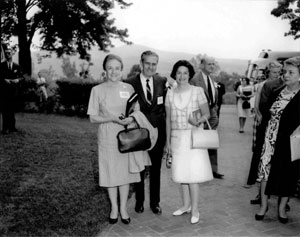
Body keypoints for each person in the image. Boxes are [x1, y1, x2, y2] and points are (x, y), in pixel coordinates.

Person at [87, 54, 144, 225]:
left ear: (121, 70)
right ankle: (113, 208)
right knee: (111, 173)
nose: (113, 71)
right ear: (105, 70)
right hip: (107, 137)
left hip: (126, 138)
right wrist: (112, 118)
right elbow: (93, 117)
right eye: (110, 68)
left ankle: (123, 209)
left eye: (117, 68)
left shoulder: (128, 88)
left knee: (124, 174)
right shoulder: (97, 90)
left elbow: (136, 109)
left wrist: (132, 119)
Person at [165, 60, 213, 224]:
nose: (182, 76)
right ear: (174, 74)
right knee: (182, 174)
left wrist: (198, 120)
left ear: (189, 74)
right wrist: (168, 143)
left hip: (193, 137)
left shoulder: (197, 91)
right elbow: (168, 120)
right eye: (179, 72)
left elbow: (207, 113)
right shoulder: (170, 93)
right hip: (177, 138)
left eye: (185, 72)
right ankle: (185, 205)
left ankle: (195, 209)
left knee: (192, 175)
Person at [255, 56, 300, 224]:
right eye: (284, 72)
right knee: (265, 172)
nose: (286, 75)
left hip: (289, 142)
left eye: (291, 72)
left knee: (287, 175)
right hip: (269, 140)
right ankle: (264, 206)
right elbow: (266, 114)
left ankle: (282, 208)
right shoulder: (277, 92)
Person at [125, 51, 167, 215]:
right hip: (139, 133)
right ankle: (139, 202)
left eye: (154, 64)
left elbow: (165, 106)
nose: (151, 67)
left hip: (158, 132)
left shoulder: (162, 81)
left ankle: (155, 203)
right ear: (141, 63)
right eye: (148, 63)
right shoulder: (129, 83)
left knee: (156, 169)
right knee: (140, 168)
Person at [245, 62, 285, 203]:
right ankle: (260, 194)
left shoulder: (284, 84)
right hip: (263, 123)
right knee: (261, 156)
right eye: (274, 72)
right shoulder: (265, 85)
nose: (277, 75)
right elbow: (258, 107)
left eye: (279, 72)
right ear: (268, 73)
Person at [190, 56, 224, 179]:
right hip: (201, 115)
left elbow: (214, 97)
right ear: (202, 65)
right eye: (209, 64)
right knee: (199, 142)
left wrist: (214, 112)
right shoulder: (195, 80)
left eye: (213, 64)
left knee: (211, 141)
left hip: (212, 114)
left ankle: (213, 170)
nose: (212, 66)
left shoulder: (211, 79)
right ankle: (199, 170)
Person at [0, 48, 23, 134]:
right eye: (6, 53)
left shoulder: (17, 66)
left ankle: (12, 127)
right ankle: (5, 128)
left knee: (12, 109)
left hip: (13, 92)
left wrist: (18, 80)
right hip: (4, 92)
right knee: (5, 110)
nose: (7, 55)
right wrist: (4, 80)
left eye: (9, 53)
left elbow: (21, 77)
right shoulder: (1, 66)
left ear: (12, 54)